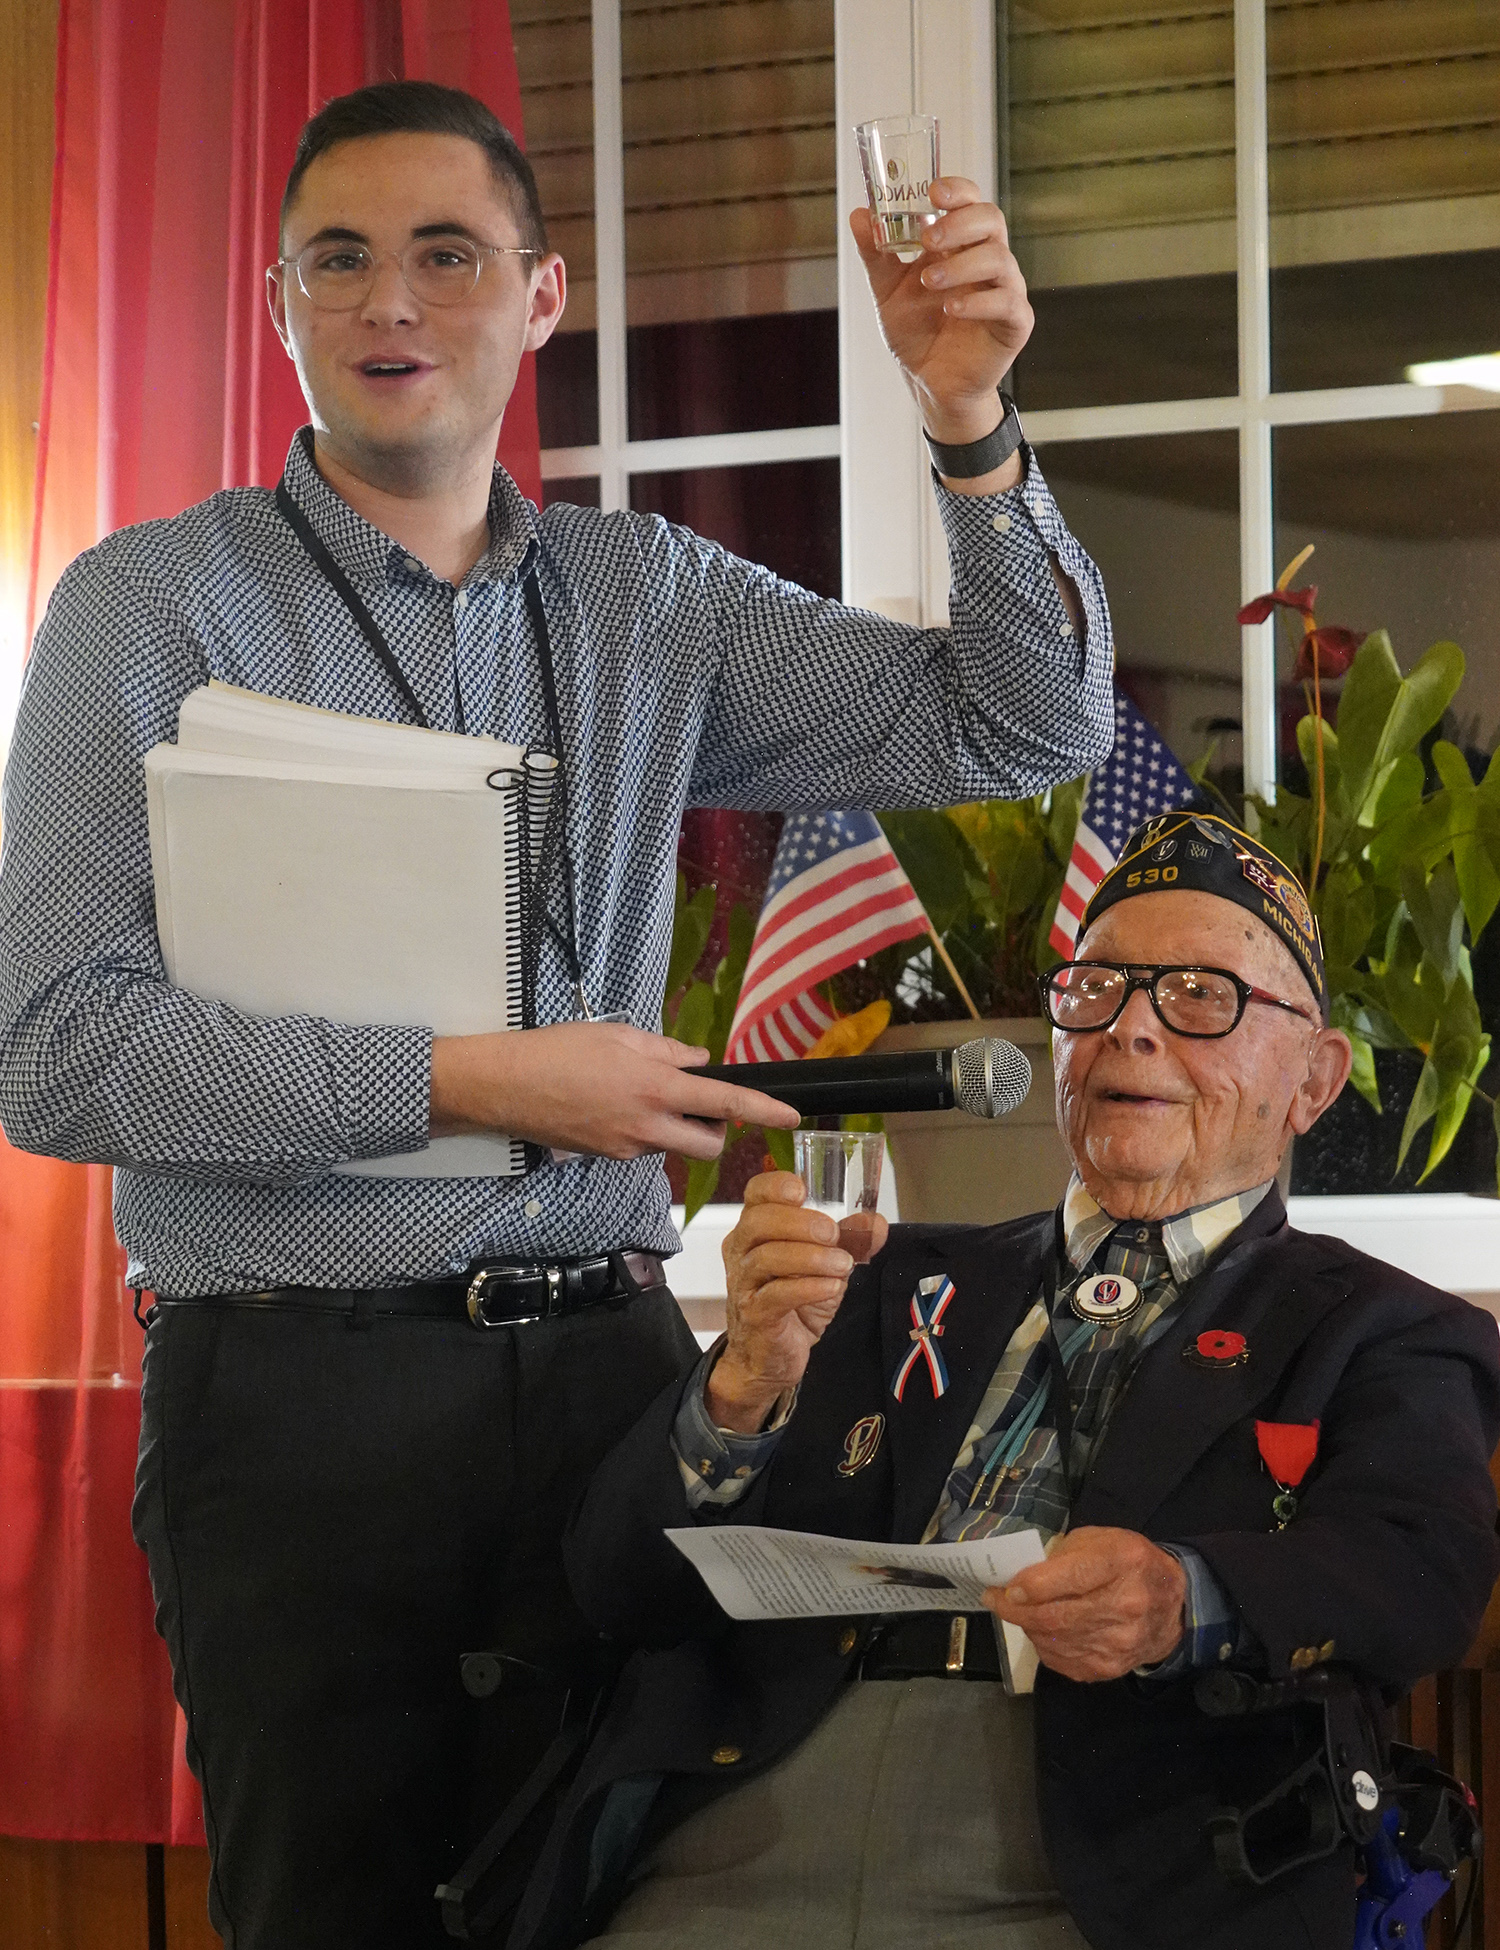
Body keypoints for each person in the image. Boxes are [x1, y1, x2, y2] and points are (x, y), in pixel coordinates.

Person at [0, 72, 1115, 1950]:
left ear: (542, 298)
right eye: (338, 260)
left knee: (631, 1910)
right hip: (293, 1401)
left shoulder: (647, 597)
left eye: (448, 254)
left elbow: (1023, 724)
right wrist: (483, 1081)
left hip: (620, 1390)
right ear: (278, 305)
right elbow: (55, 1049)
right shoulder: (146, 607)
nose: (390, 301)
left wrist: (968, 423)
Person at [515, 811, 1500, 1950]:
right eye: (1099, 989)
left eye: (1200, 995)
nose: (1130, 1029)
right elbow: (616, 1590)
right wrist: (742, 1387)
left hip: (1104, 1855)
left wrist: (1180, 1597)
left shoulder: (1378, 1329)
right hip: (749, 1816)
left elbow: (1419, 1573)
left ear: (1313, 1079)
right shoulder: (871, 1279)